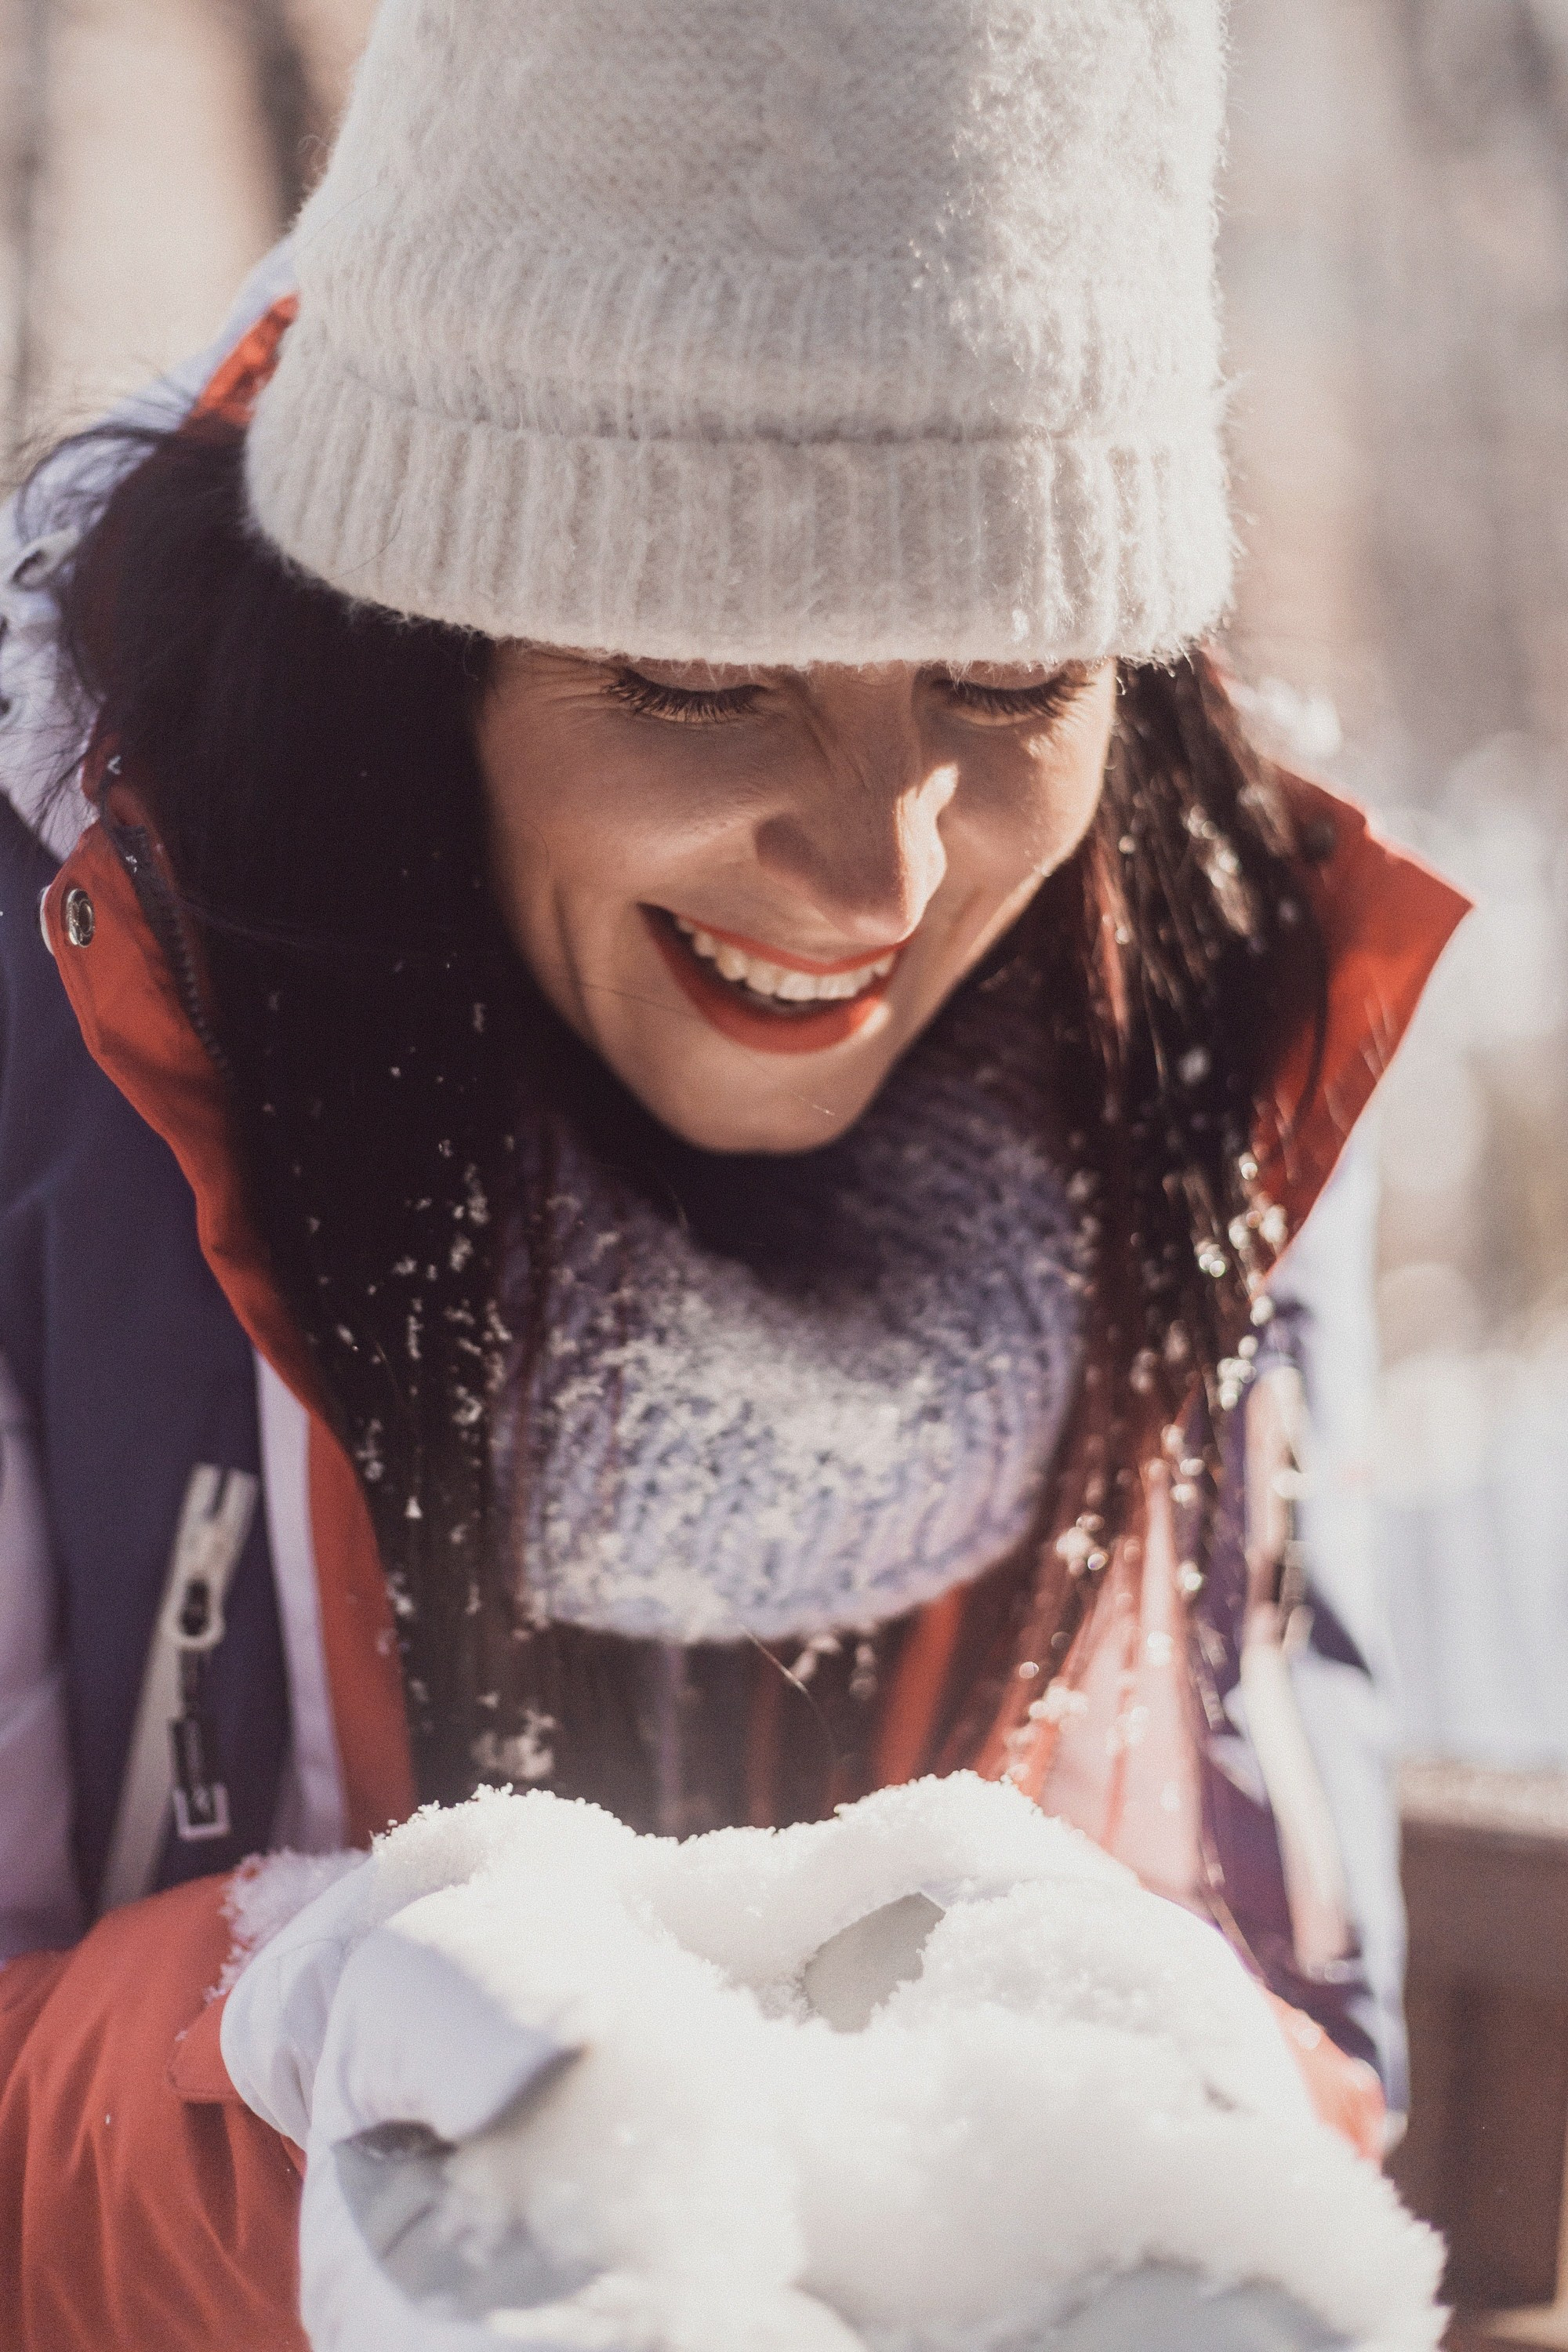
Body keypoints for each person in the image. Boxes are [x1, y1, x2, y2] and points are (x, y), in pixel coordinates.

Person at [0, 1, 1466, 2345]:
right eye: (700, 670)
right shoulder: (62, 1044)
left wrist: (1173, 2116)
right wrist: (269, 2114)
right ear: (412, 650)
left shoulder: (1205, 1024)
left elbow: (1312, 2014)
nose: (881, 858)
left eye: (1007, 677)